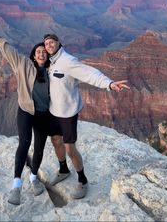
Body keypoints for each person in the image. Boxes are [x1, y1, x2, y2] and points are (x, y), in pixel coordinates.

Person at [43, 33, 130, 199]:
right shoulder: (49, 61)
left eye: (51, 42)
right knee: (55, 140)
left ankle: (82, 180)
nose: (49, 46)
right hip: (53, 111)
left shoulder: (68, 61)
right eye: (46, 43)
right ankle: (63, 170)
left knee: (70, 149)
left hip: (68, 113)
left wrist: (109, 84)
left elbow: (89, 73)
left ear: (58, 42)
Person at [0, 22, 50, 206]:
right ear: (33, 54)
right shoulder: (22, 63)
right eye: (38, 51)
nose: (41, 53)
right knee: (24, 144)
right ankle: (16, 186)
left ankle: (34, 177)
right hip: (25, 111)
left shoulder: (52, 71)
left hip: (43, 114)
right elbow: (7, 50)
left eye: (44, 51)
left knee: (39, 148)